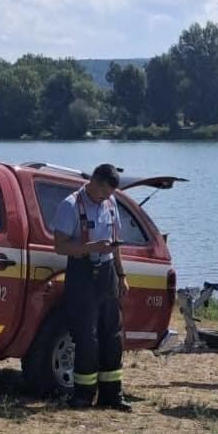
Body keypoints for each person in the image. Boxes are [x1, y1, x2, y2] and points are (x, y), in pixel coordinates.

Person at [52, 164, 130, 411]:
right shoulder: (70, 205)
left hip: (107, 274)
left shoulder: (110, 203)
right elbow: (60, 246)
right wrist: (91, 248)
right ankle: (83, 395)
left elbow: (115, 244)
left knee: (113, 334)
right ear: (95, 182)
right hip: (82, 272)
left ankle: (111, 395)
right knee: (87, 336)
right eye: (105, 192)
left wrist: (121, 274)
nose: (107, 197)